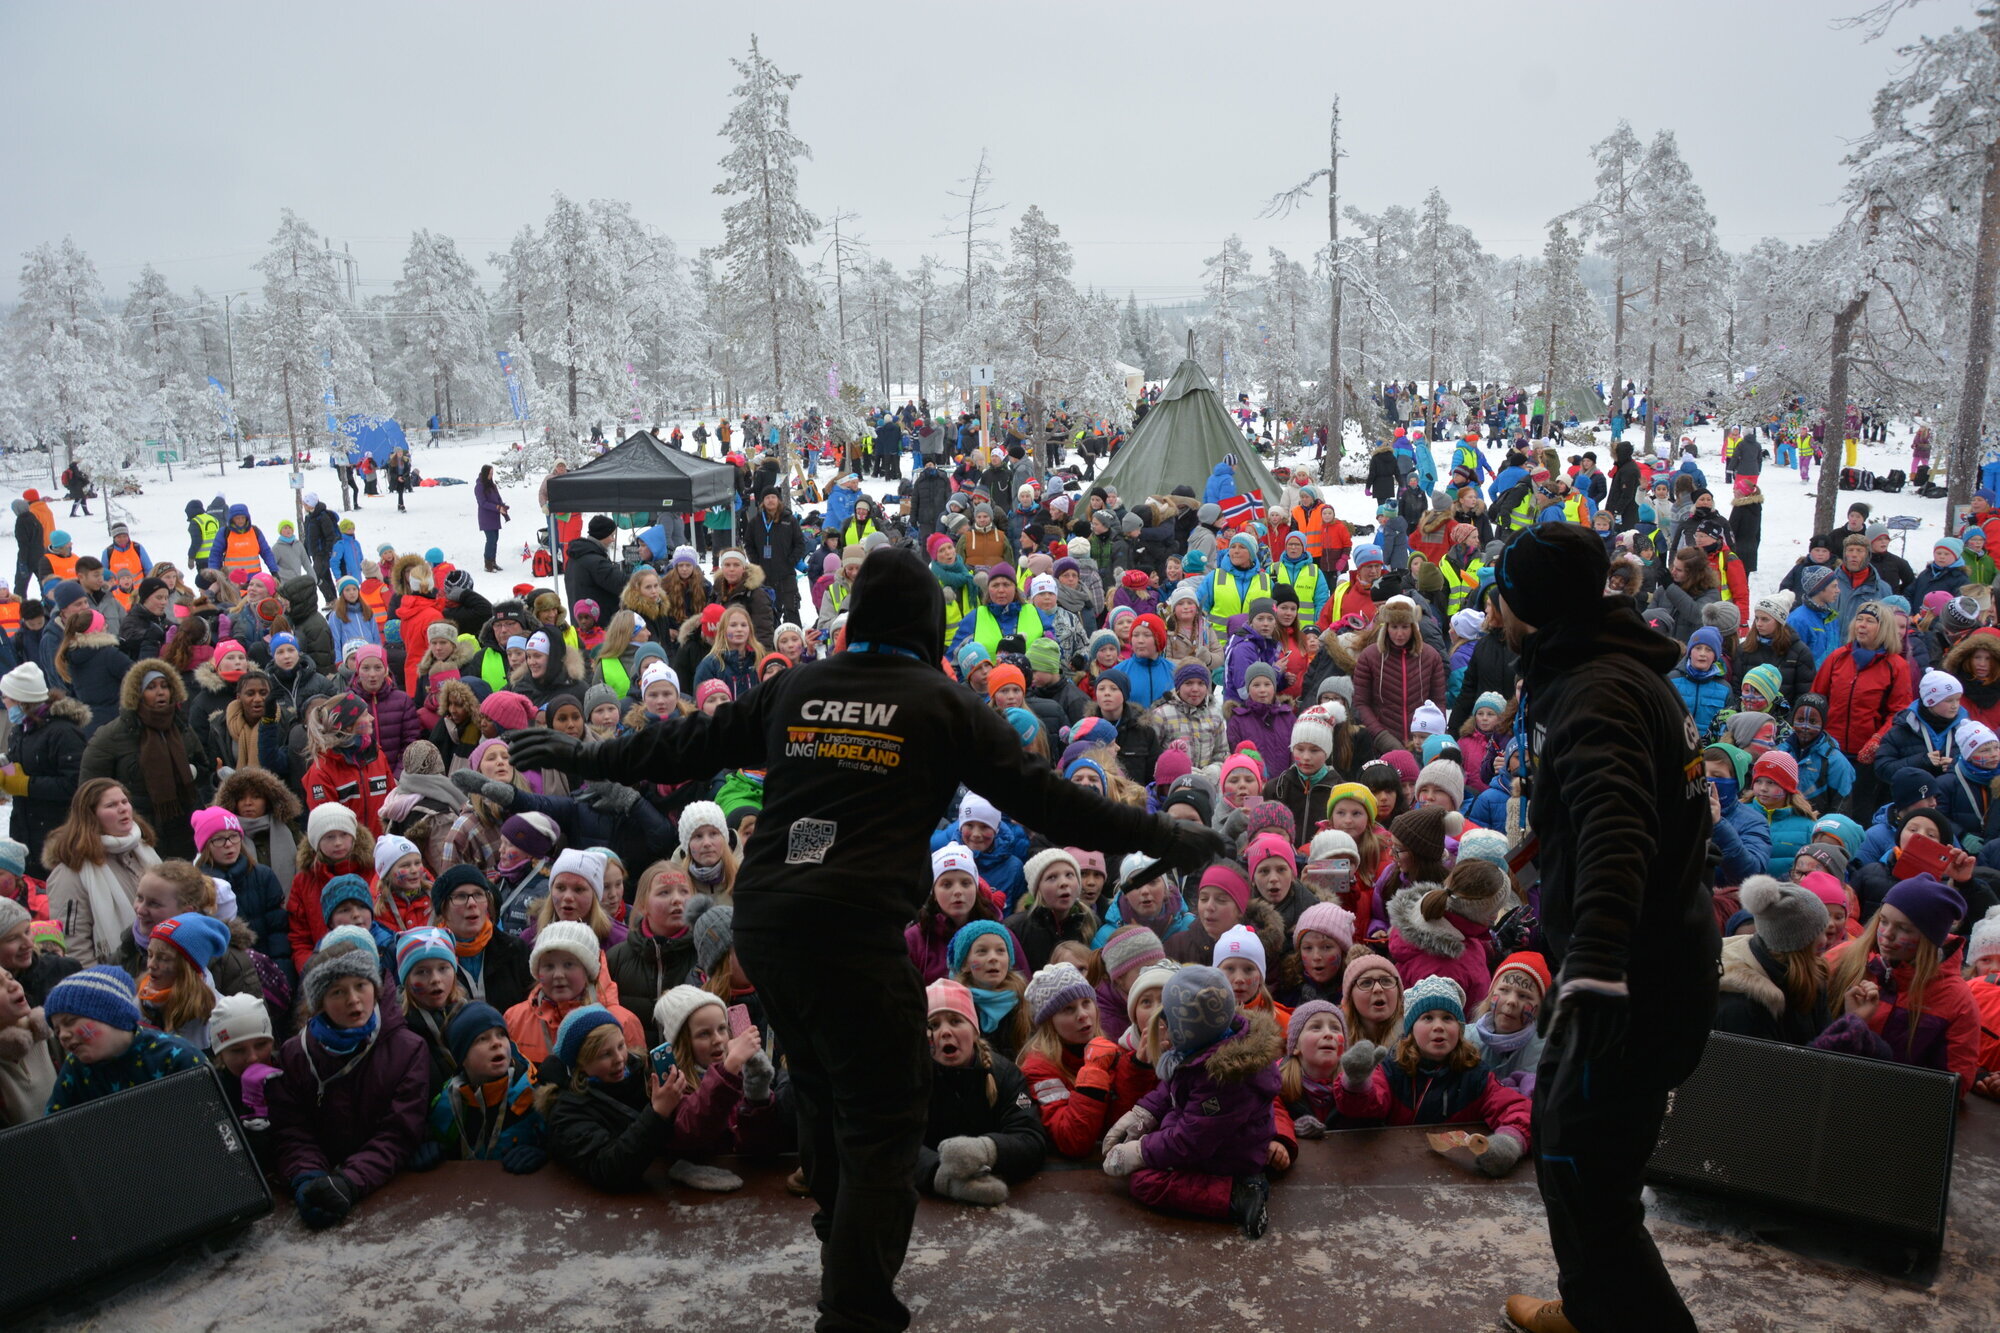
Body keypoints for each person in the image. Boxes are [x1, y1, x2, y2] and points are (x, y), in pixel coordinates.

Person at [507, 546, 1223, 1332]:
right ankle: (853, 1307)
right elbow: (1055, 802)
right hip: (851, 930)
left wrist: (585, 756)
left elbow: (683, 745)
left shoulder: (802, 685)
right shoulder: (940, 703)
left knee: (819, 1081)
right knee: (887, 1117)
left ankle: (836, 1225)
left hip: (769, 922)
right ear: (930, 622)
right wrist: (1167, 834)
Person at [1489, 521, 1718, 1333]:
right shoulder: (1599, 664)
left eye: (1503, 593)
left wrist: (1592, 967)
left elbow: (1620, 829)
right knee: (1567, 1142)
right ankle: (1592, 1306)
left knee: (1586, 1177)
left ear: (1530, 606)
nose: (1492, 605)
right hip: (1651, 961)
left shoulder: (1595, 693)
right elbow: (1613, 809)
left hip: (1630, 986)